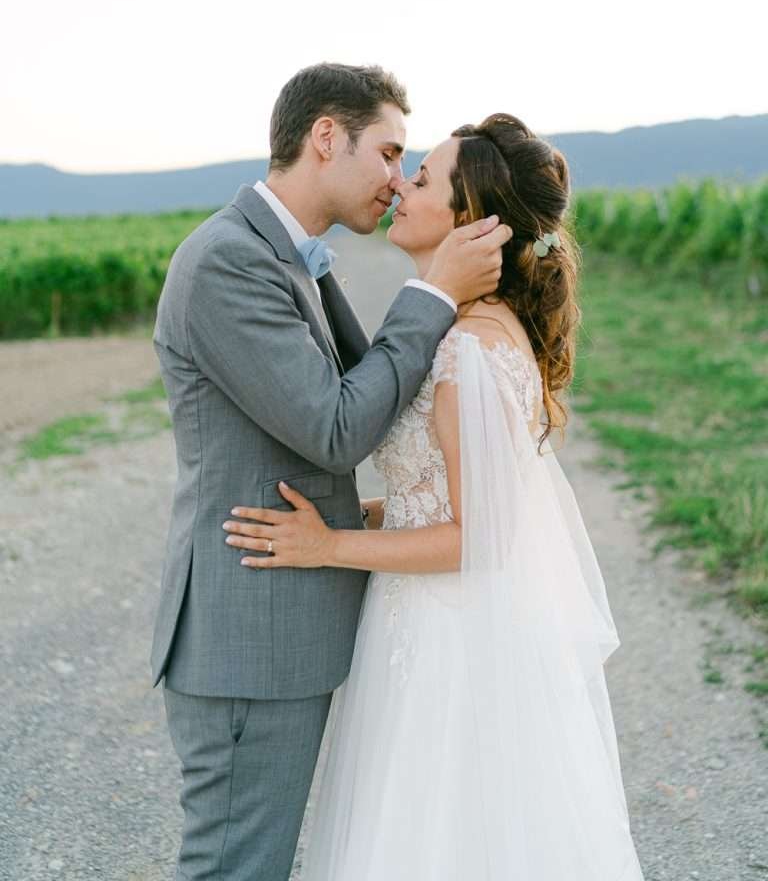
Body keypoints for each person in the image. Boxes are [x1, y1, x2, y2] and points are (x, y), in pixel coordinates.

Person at [224, 113, 646, 880]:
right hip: (428, 622)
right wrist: (347, 516)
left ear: (469, 222)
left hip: (447, 637)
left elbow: (475, 534)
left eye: (421, 179)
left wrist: (330, 546)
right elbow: (439, 497)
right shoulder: (477, 328)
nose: (400, 186)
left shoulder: (466, 353)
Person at [151, 63, 511, 881]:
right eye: (388, 153)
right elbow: (338, 427)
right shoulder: (227, 262)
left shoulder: (288, 255)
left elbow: (365, 393)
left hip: (282, 635)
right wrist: (436, 295)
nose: (395, 179)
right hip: (248, 635)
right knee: (236, 868)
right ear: (324, 138)